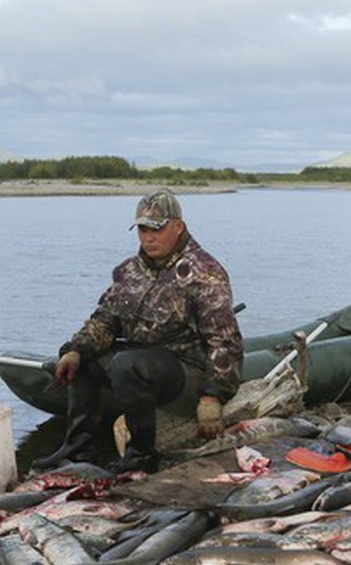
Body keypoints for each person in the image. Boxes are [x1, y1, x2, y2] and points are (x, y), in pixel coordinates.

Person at [33, 189, 244, 475]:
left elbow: (225, 341)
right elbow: (104, 321)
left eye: (156, 228)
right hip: (142, 366)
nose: (149, 237)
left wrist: (213, 396)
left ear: (178, 226)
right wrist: (75, 350)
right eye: (143, 229)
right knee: (84, 357)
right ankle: (78, 450)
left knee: (126, 364)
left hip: (187, 373)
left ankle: (142, 455)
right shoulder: (129, 271)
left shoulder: (204, 273)